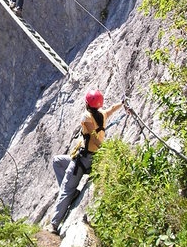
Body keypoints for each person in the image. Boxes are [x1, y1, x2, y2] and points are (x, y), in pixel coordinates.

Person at [48, 89, 128, 234]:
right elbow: (110, 110)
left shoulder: (87, 117)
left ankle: (54, 224)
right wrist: (122, 103)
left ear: (87, 103)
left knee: (66, 188)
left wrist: (105, 149)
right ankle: (71, 195)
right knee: (58, 161)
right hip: (92, 159)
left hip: (83, 160)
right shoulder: (101, 115)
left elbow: (94, 138)